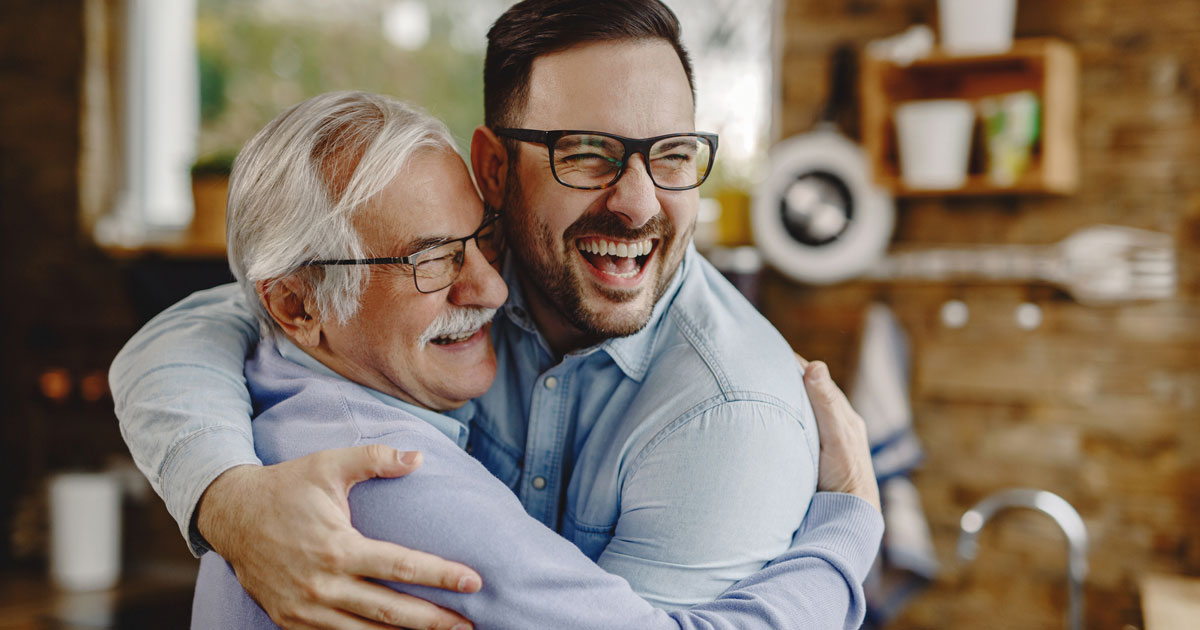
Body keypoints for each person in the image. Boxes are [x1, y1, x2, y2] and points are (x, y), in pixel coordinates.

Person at [109, 2, 883, 629]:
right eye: (586, 152)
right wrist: (227, 498)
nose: (489, 287)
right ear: (494, 171)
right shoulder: (377, 471)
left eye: (673, 153)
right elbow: (197, 325)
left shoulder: (728, 412)